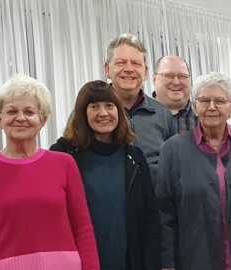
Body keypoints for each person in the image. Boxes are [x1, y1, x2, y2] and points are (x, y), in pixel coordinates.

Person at [0, 74, 99, 270]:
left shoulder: (64, 163)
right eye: (12, 111)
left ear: (42, 120)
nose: (20, 118)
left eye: (29, 111)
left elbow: (83, 228)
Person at [156, 72, 231, 270]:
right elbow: (165, 213)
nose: (211, 107)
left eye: (220, 101)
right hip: (194, 257)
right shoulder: (173, 149)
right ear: (194, 107)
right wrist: (167, 263)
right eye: (204, 100)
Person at [50, 80, 160, 269]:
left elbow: (150, 220)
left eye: (109, 106)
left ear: (119, 112)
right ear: (83, 114)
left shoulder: (134, 157)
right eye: (94, 107)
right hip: (78, 262)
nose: (103, 113)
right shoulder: (62, 154)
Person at [105, 33, 176, 182]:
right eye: (120, 63)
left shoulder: (162, 113)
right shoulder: (92, 113)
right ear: (107, 70)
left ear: (145, 72)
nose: (129, 69)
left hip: (156, 203)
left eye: (136, 64)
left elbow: (174, 165)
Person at [152, 55, 198, 133]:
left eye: (183, 76)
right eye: (169, 76)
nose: (176, 82)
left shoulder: (203, 118)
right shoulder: (138, 116)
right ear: (154, 79)